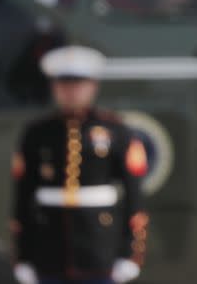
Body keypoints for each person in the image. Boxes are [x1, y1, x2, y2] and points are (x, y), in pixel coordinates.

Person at [10, 45, 149, 284]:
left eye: (78, 84)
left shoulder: (116, 130)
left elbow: (134, 196)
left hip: (100, 250)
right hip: (49, 251)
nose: (71, 91)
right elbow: (22, 198)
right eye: (64, 85)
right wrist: (23, 256)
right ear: (54, 88)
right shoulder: (37, 133)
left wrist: (130, 253)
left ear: (93, 86)